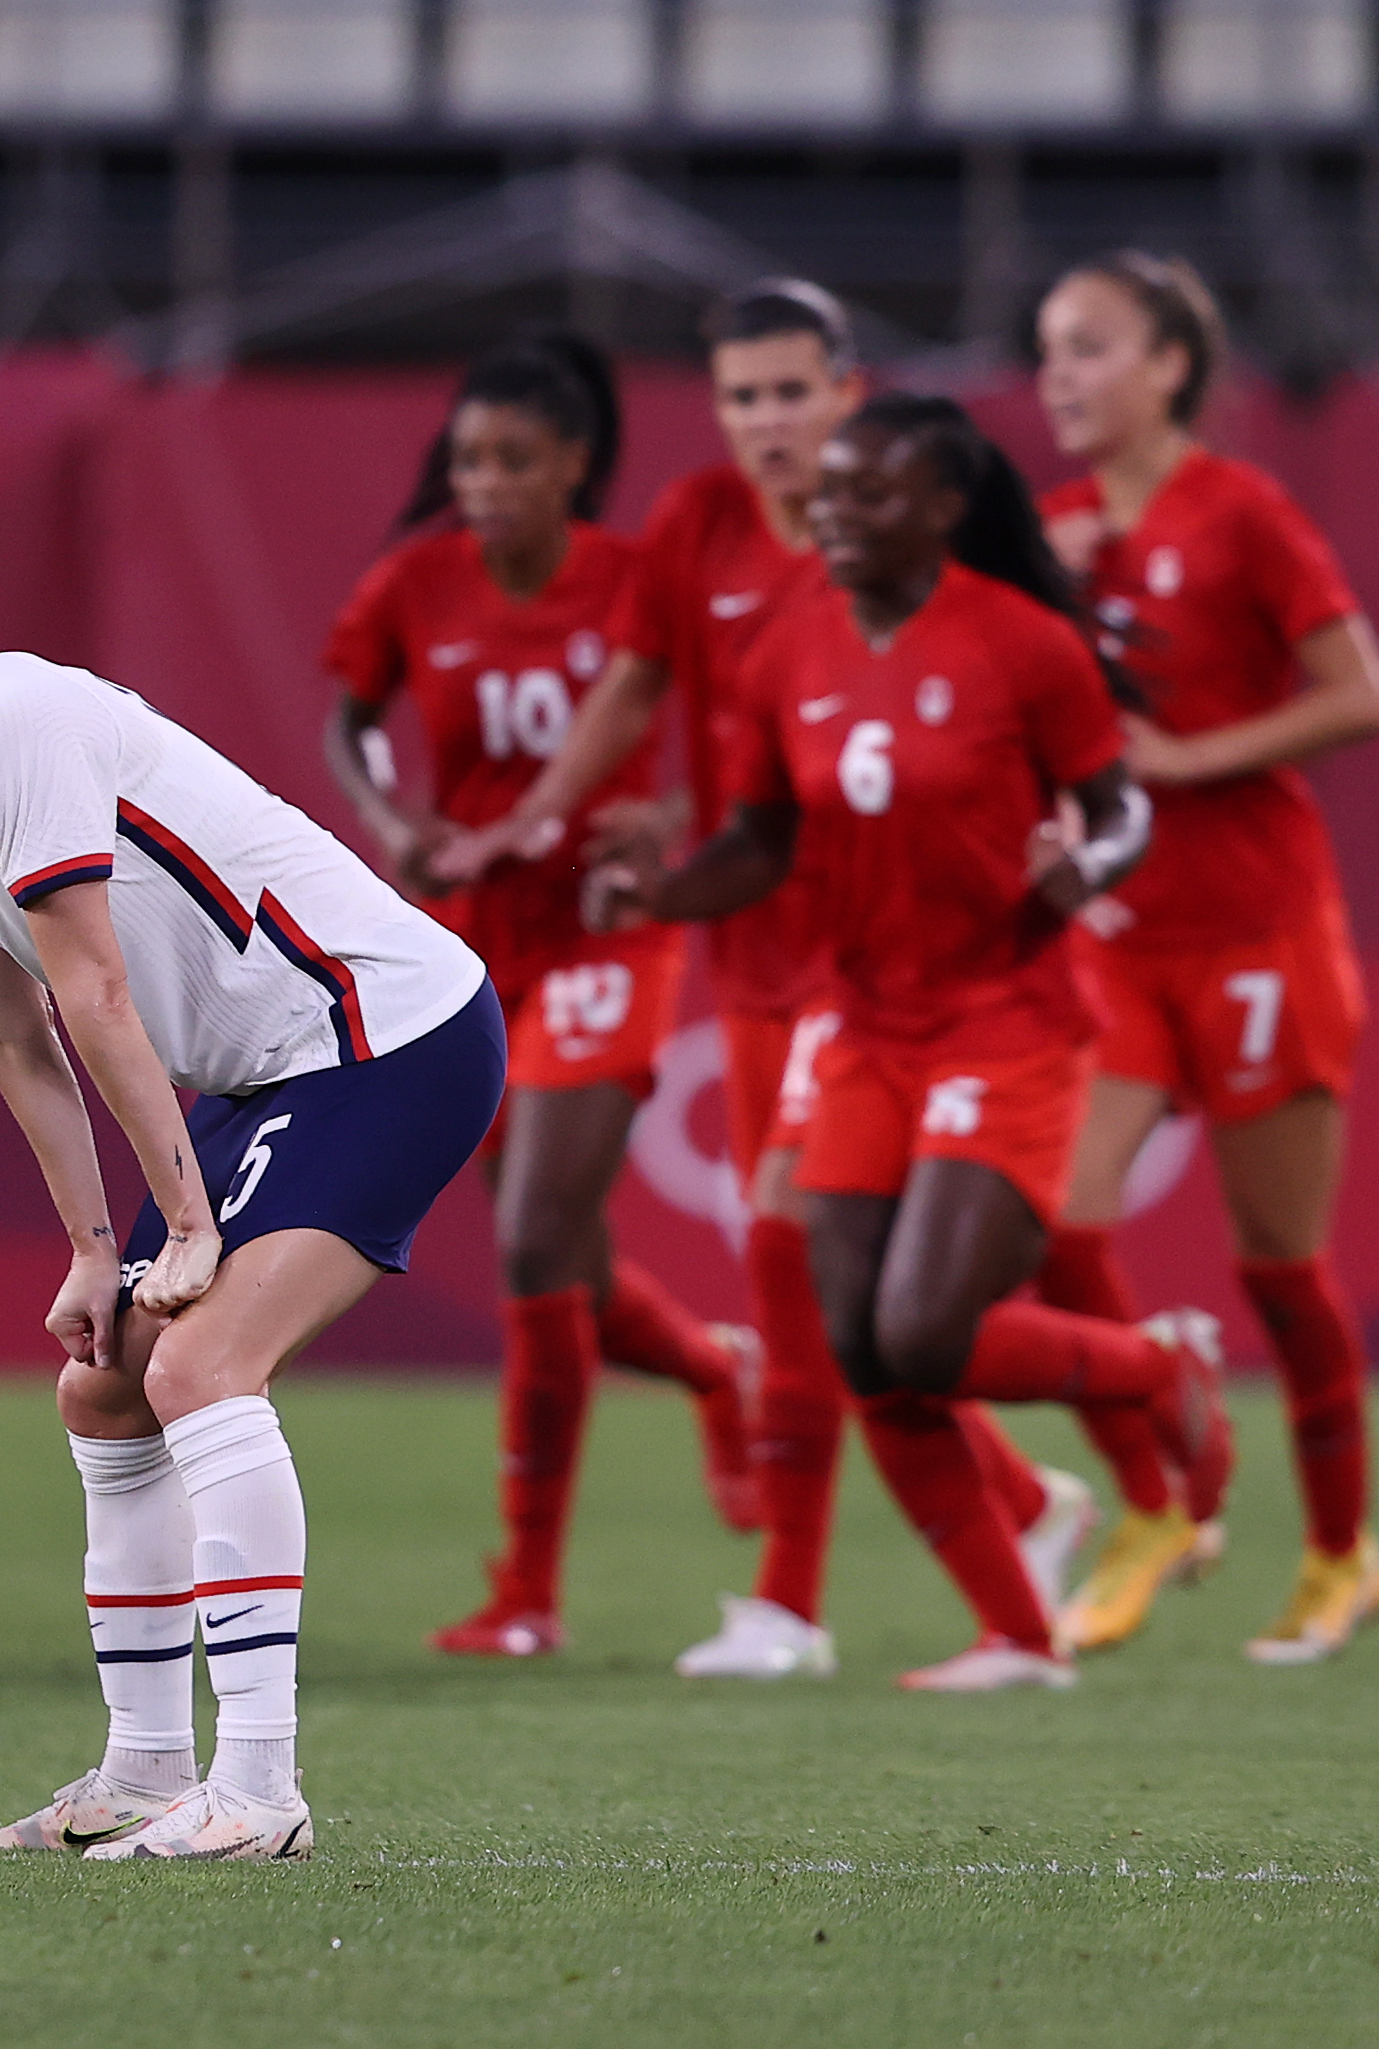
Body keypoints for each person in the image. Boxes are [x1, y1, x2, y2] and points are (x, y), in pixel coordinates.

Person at [0, 478, 501, 1858]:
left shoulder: (16, 717)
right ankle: (149, 1773)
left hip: (386, 1032)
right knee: (104, 1385)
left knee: (199, 1367)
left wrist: (181, 1221)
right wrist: (99, 1249)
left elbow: (92, 991)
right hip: (270, 1066)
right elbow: (9, 1025)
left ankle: (261, 1790)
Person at [433, 283, 1091, 1682]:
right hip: (756, 950)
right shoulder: (696, 529)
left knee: (809, 1268)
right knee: (822, 1284)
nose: (768, 423)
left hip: (886, 963)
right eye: (741, 397)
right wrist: (539, 819)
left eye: (792, 392)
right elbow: (634, 691)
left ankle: (791, 1601)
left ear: (847, 391)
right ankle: (1029, 1503)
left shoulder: (892, 534)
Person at [585, 394, 1230, 1692]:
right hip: (869, 1021)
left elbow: (1121, 814)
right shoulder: (787, 651)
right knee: (859, 1340)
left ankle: (1151, 1371)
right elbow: (763, 841)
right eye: (828, 492)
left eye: (868, 493)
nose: (834, 512)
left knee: (922, 1332)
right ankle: (1017, 1636)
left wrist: (1075, 870)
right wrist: (657, 891)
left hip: (1007, 1021)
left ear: (943, 507)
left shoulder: (1023, 646)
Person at [314, 333, 762, 1661]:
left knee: (528, 1243)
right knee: (553, 1243)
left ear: (575, 464)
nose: (485, 482)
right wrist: (388, 814)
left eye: (513, 458)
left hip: (609, 935)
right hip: (469, 945)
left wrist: (672, 819)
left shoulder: (637, 584)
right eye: (466, 459)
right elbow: (348, 713)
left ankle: (526, 1592)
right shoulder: (416, 583)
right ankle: (711, 1367)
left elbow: (726, 735)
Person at [1030, 253, 1379, 1663]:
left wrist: (1187, 756)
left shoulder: (1244, 515)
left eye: (1087, 347)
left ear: (1168, 365)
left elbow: (1363, 693)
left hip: (1259, 933)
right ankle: (1157, 1491)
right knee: (1056, 1223)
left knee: (1279, 1268)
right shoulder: (1051, 530)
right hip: (1121, 937)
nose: (1057, 373)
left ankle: (1334, 1548)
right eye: (1048, 349)